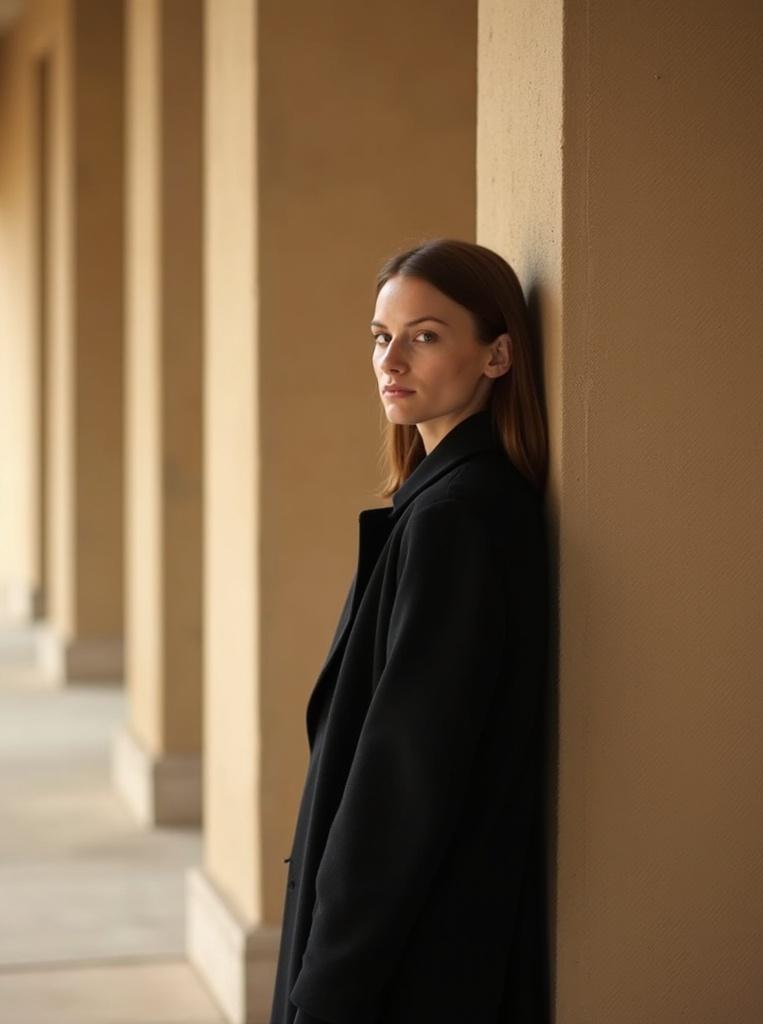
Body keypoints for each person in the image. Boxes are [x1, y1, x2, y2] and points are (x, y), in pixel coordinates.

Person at [269, 238, 552, 1024]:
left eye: (425, 335)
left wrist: (327, 986)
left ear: (496, 356)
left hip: (410, 959)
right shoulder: (441, 504)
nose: (392, 359)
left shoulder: (458, 520)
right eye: (381, 336)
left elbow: (405, 785)